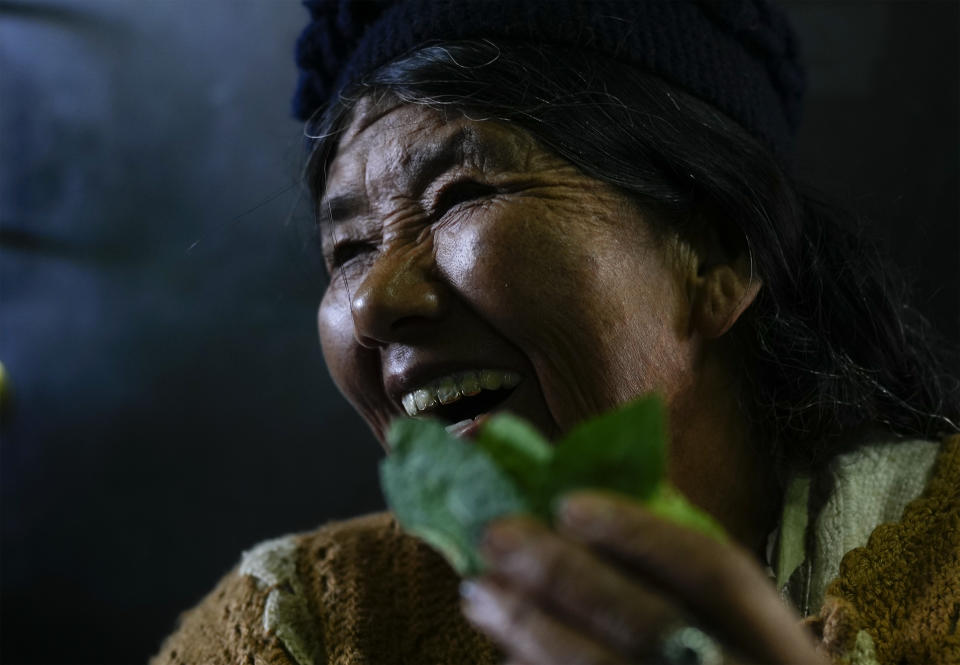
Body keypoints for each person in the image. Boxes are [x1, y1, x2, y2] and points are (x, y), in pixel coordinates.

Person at [150, 1, 960, 663]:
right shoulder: (298, 628)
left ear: (717, 253)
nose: (370, 304)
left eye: (458, 194)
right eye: (350, 249)